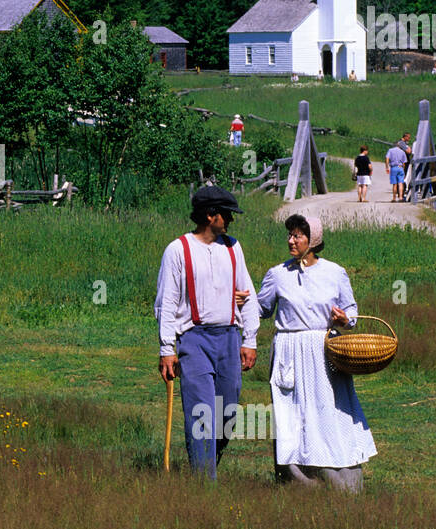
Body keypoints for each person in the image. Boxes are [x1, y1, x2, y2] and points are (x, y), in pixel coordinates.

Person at [258, 214, 376, 492]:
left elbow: (351, 312)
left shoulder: (335, 272)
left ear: (314, 240)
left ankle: (341, 480)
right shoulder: (278, 275)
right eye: (289, 234)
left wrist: (344, 320)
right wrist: (241, 300)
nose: (291, 240)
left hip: (325, 352)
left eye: (298, 235)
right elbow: (260, 310)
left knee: (329, 412)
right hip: (289, 351)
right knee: (292, 414)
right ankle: (297, 482)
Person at [155, 185, 259, 479]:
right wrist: (167, 349)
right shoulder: (178, 250)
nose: (231, 220)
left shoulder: (233, 247)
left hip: (229, 339)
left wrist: (249, 339)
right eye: (227, 215)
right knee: (202, 414)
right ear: (210, 215)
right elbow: (167, 303)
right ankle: (204, 484)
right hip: (194, 340)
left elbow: (247, 294)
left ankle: (206, 463)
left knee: (227, 415)